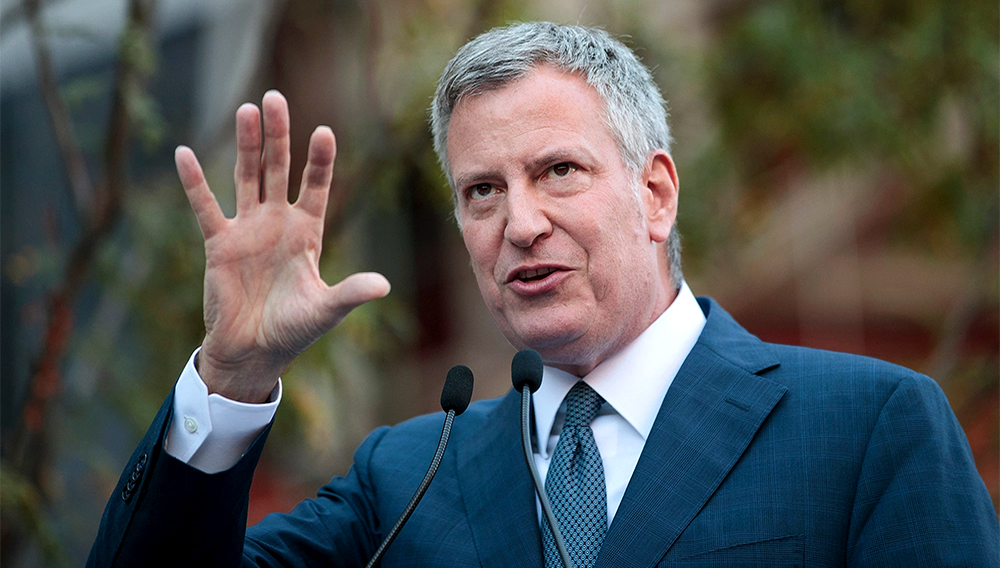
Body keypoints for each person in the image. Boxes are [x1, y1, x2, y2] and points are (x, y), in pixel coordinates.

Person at [88, 22, 998, 567]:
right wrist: (233, 374)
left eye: (558, 171)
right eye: (482, 191)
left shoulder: (868, 426)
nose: (518, 224)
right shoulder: (408, 478)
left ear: (655, 192)